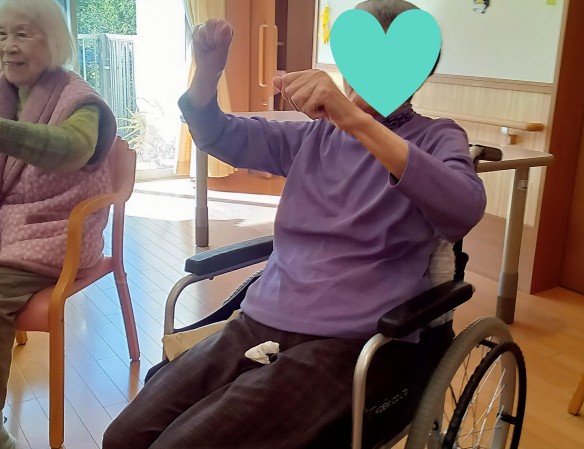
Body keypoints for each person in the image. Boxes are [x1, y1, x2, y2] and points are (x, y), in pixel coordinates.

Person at [104, 1, 486, 448]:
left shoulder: (437, 136)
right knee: (122, 437)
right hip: (260, 320)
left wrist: (356, 121)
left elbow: (463, 209)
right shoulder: (313, 136)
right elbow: (219, 134)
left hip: (349, 341)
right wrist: (207, 73)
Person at [0, 0, 117, 447]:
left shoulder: (78, 98)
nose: (9, 46)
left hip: (56, 229)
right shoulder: (5, 91)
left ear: (52, 41)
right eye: (1, 35)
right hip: (12, 223)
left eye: (22, 34)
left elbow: (73, 148)